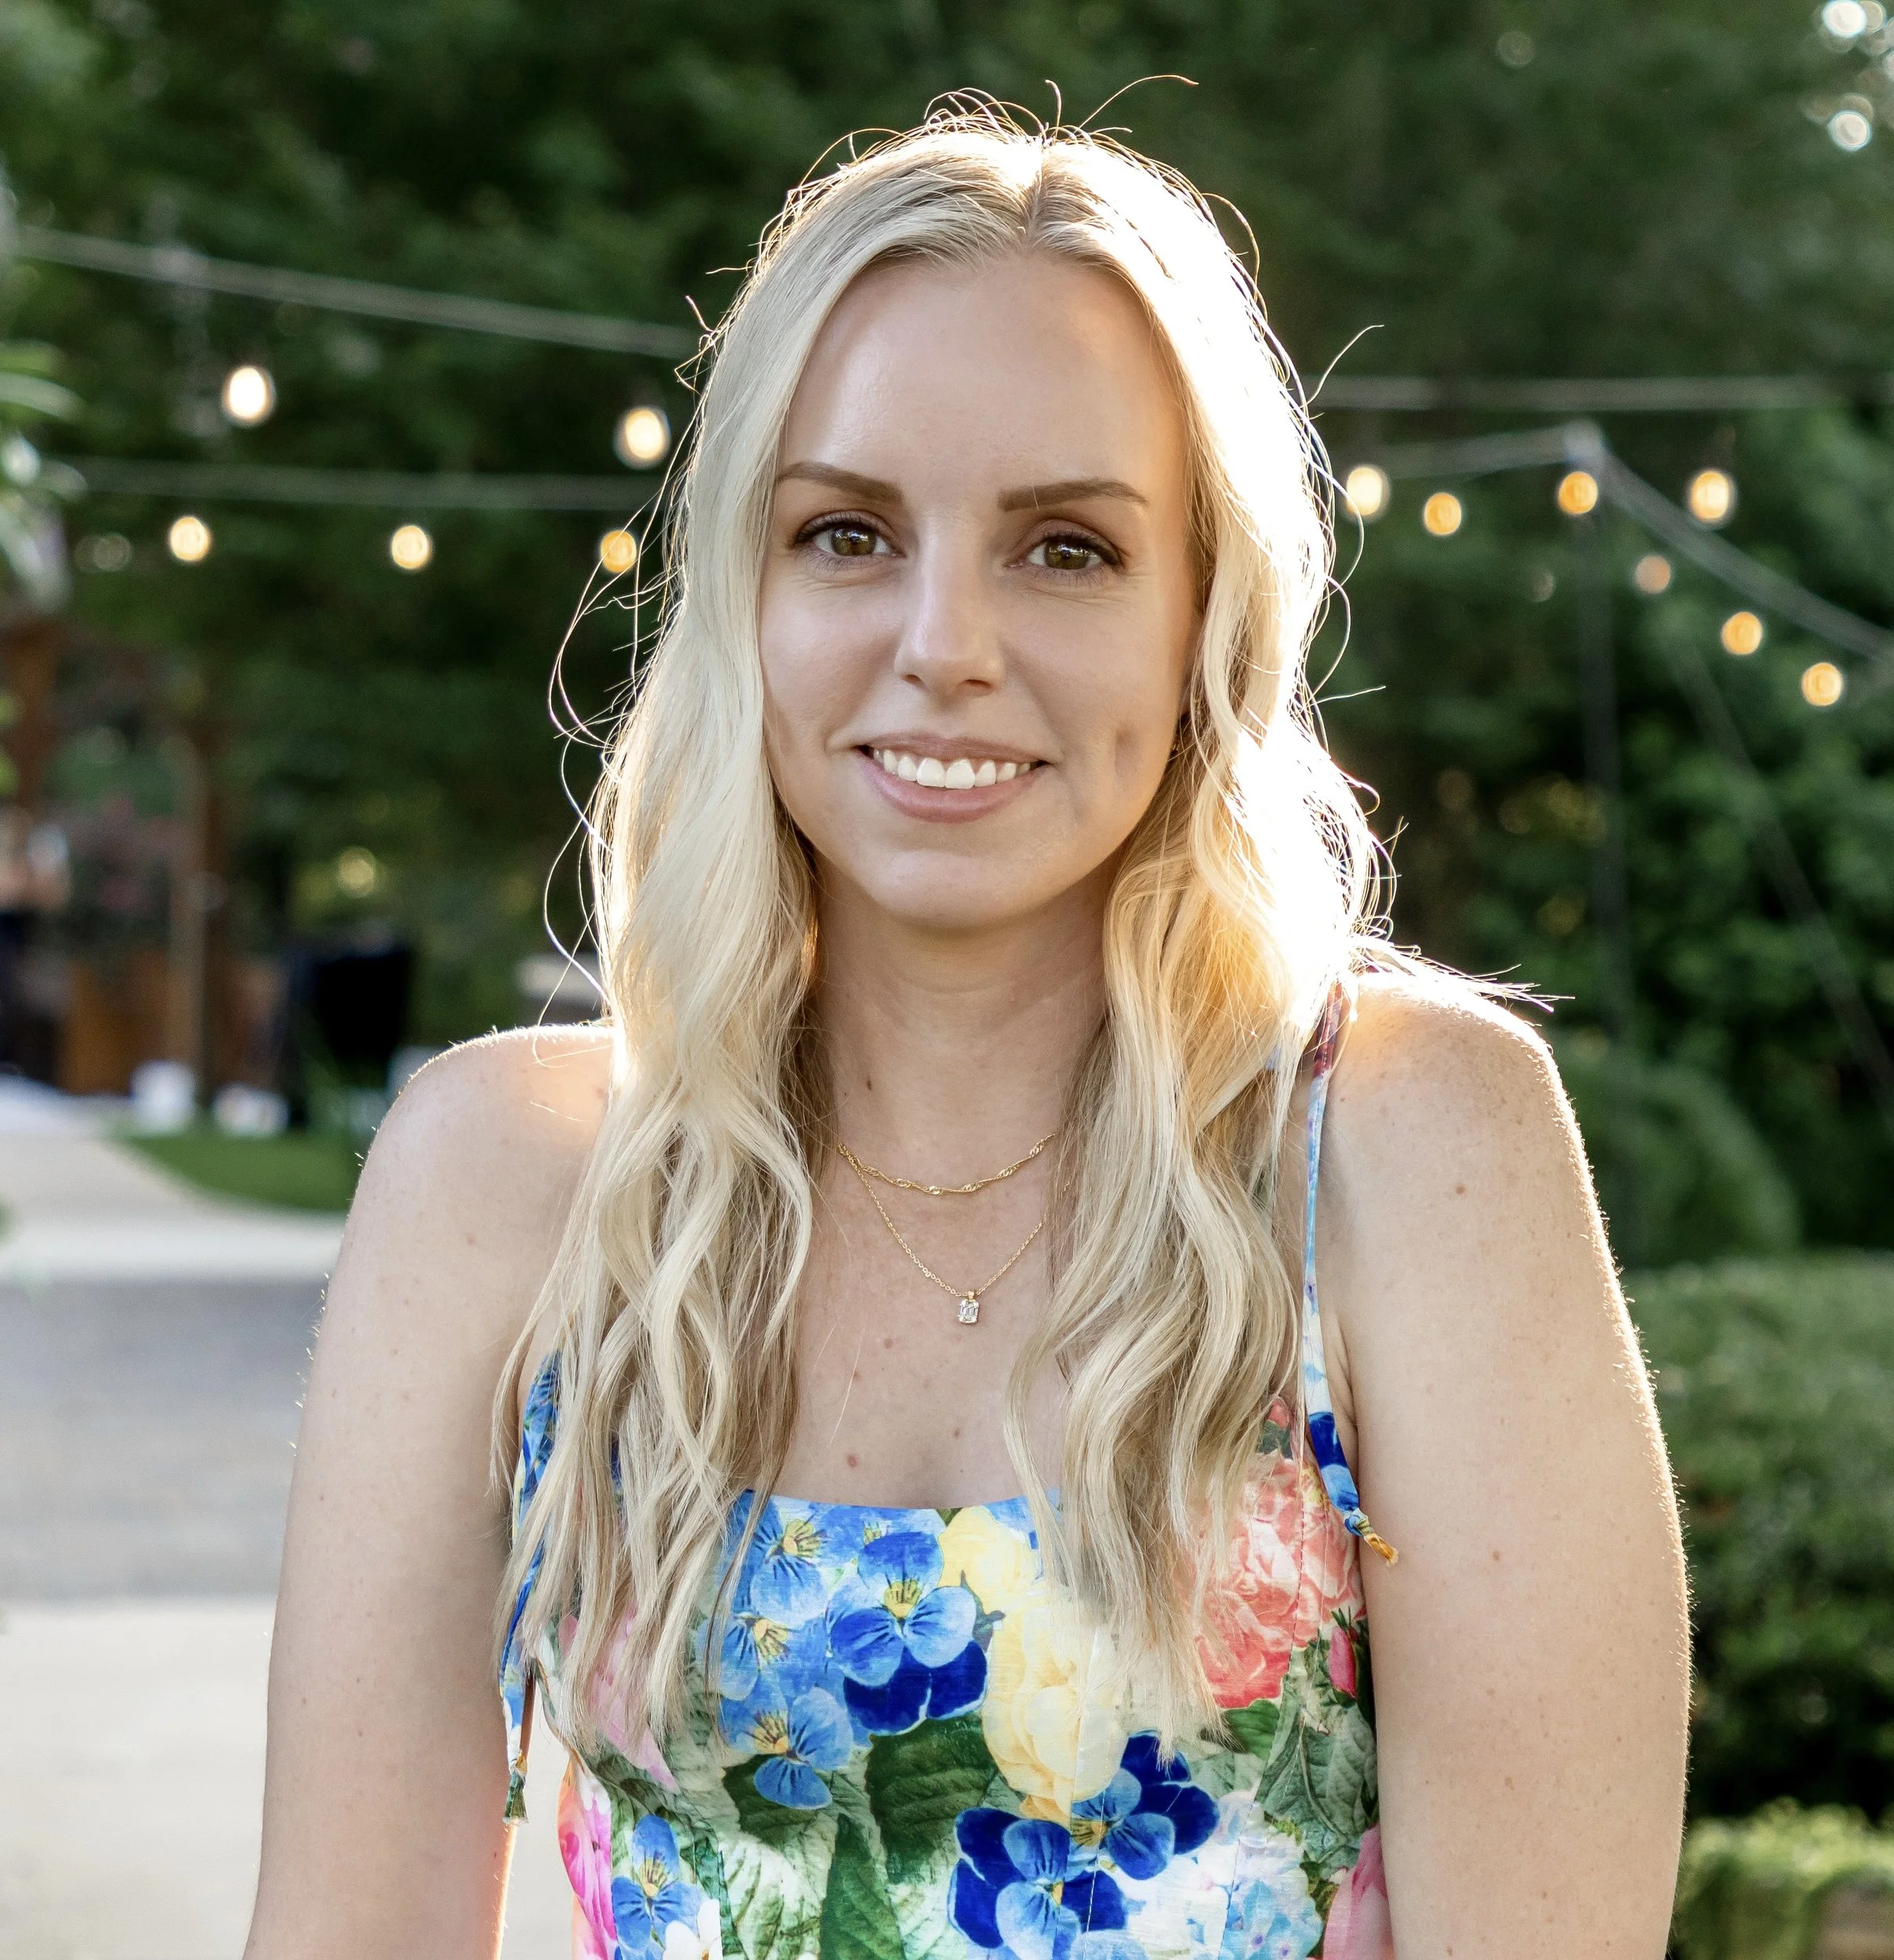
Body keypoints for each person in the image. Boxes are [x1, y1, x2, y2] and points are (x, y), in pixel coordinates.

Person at [246, 107, 1689, 1960]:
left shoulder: (1409, 1151)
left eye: (1065, 548)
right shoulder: (505, 1183)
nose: (944, 642)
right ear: (741, 595)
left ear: (1203, 613)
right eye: (845, 533)